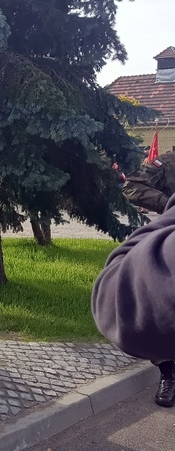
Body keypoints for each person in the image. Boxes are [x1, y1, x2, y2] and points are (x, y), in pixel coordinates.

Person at [115, 155, 175, 407]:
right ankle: (169, 375)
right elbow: (131, 187)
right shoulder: (168, 163)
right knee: (163, 308)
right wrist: (169, 204)